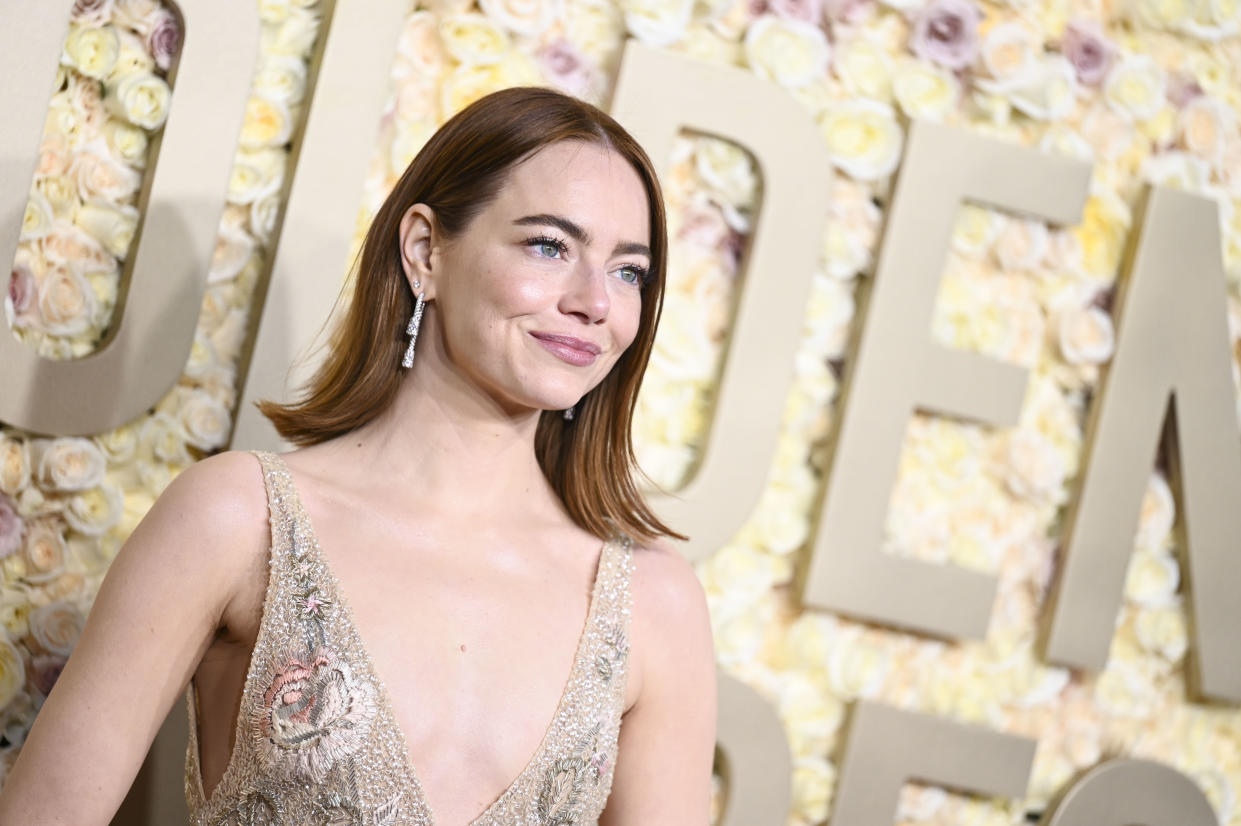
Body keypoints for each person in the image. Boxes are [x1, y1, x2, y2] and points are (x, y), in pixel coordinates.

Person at [0, 86, 717, 825]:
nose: (594, 301)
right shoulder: (239, 521)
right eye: (548, 246)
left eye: (628, 271)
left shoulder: (651, 604)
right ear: (424, 251)